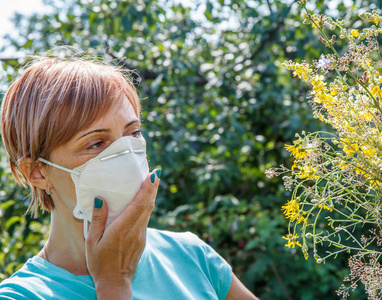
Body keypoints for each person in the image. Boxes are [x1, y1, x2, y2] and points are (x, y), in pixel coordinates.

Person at [0, 54, 257, 299]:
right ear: (36, 171)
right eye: (96, 143)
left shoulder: (190, 254)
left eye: (133, 133)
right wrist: (114, 283)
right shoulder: (20, 295)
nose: (125, 154)